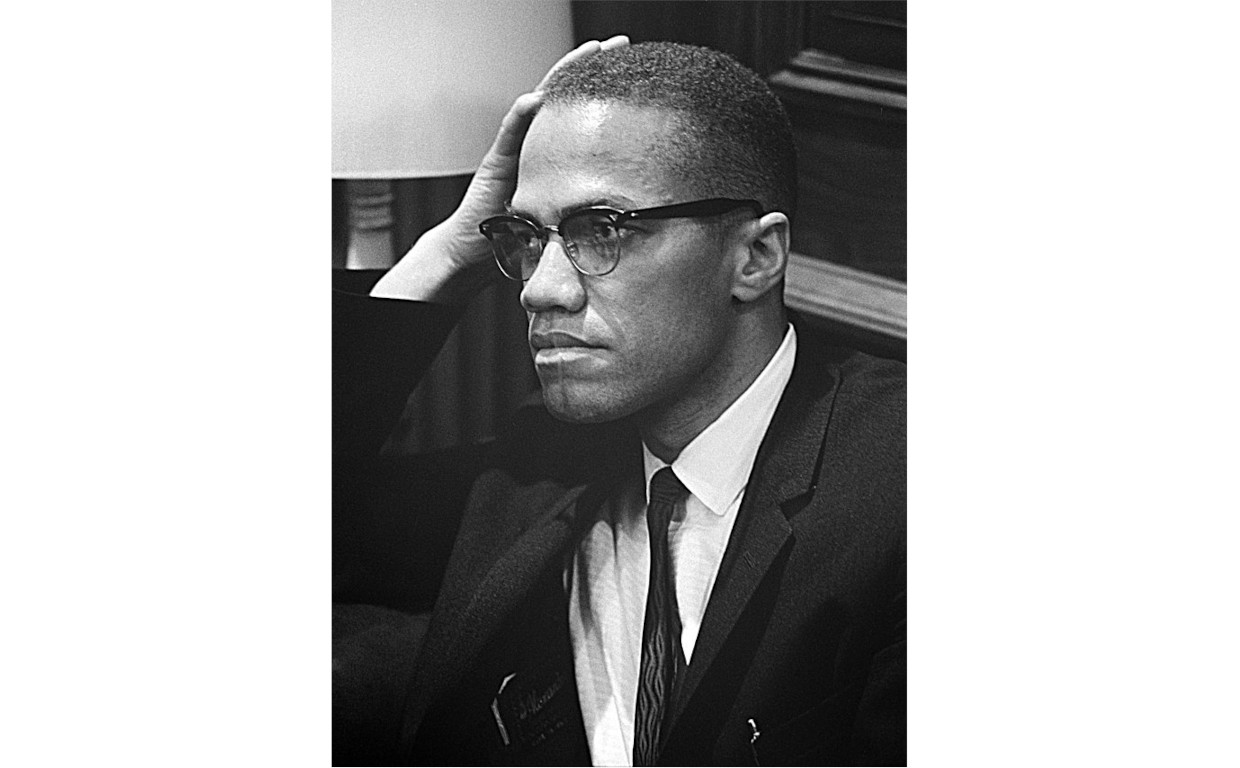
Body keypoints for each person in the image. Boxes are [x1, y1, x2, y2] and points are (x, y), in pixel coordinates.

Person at [334, 37, 905, 766]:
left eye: (602, 230)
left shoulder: (905, 482)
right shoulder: (535, 470)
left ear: (756, 257)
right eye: (525, 238)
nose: (540, 289)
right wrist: (445, 256)